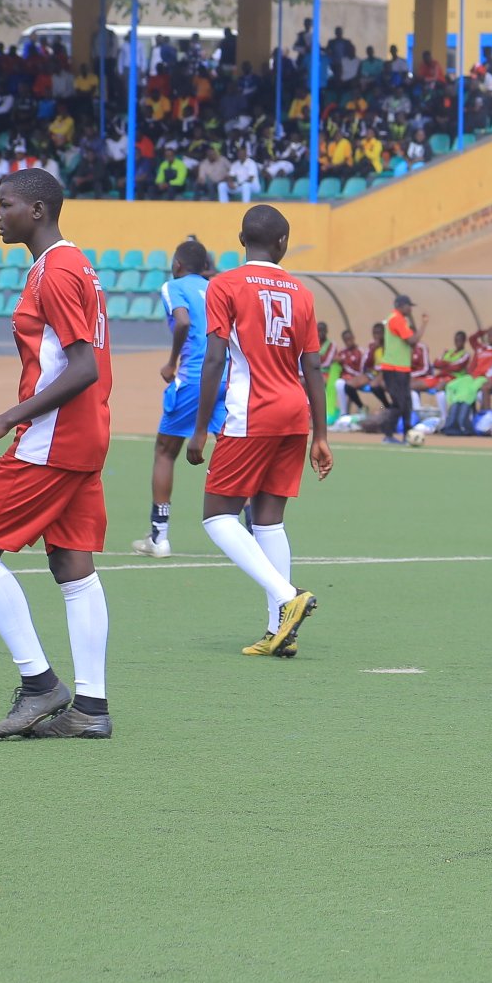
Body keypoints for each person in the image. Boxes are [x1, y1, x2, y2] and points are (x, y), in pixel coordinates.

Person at [0, 169, 115, 740]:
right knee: (73, 566)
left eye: (6, 205)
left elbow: (83, 367)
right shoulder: (74, 265)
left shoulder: (57, 270)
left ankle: (40, 683)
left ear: (38, 211)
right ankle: (91, 711)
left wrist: (5, 418)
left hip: (54, 439)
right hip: (83, 434)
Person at [186, 204, 330, 657]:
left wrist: (199, 431)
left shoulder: (224, 285)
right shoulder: (302, 293)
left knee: (217, 516)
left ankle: (288, 599)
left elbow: (214, 359)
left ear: (241, 239)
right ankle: (278, 632)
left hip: (253, 413)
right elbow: (313, 367)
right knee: (269, 520)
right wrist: (322, 436)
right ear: (283, 243)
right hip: (295, 414)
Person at [132, 238, 225, 558]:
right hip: (226, 377)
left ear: (178, 265)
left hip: (195, 377)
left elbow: (183, 321)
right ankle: (252, 528)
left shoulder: (173, 286)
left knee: (165, 451)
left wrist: (172, 362)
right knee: (230, 449)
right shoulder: (216, 288)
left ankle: (159, 536)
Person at [377, 294, 426, 443]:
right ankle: (388, 435)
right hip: (393, 369)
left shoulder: (400, 319)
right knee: (399, 403)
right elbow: (412, 340)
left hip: (402, 368)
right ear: (401, 305)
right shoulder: (396, 319)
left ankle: (407, 434)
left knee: (406, 403)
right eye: (408, 305)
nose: (410, 308)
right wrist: (424, 324)